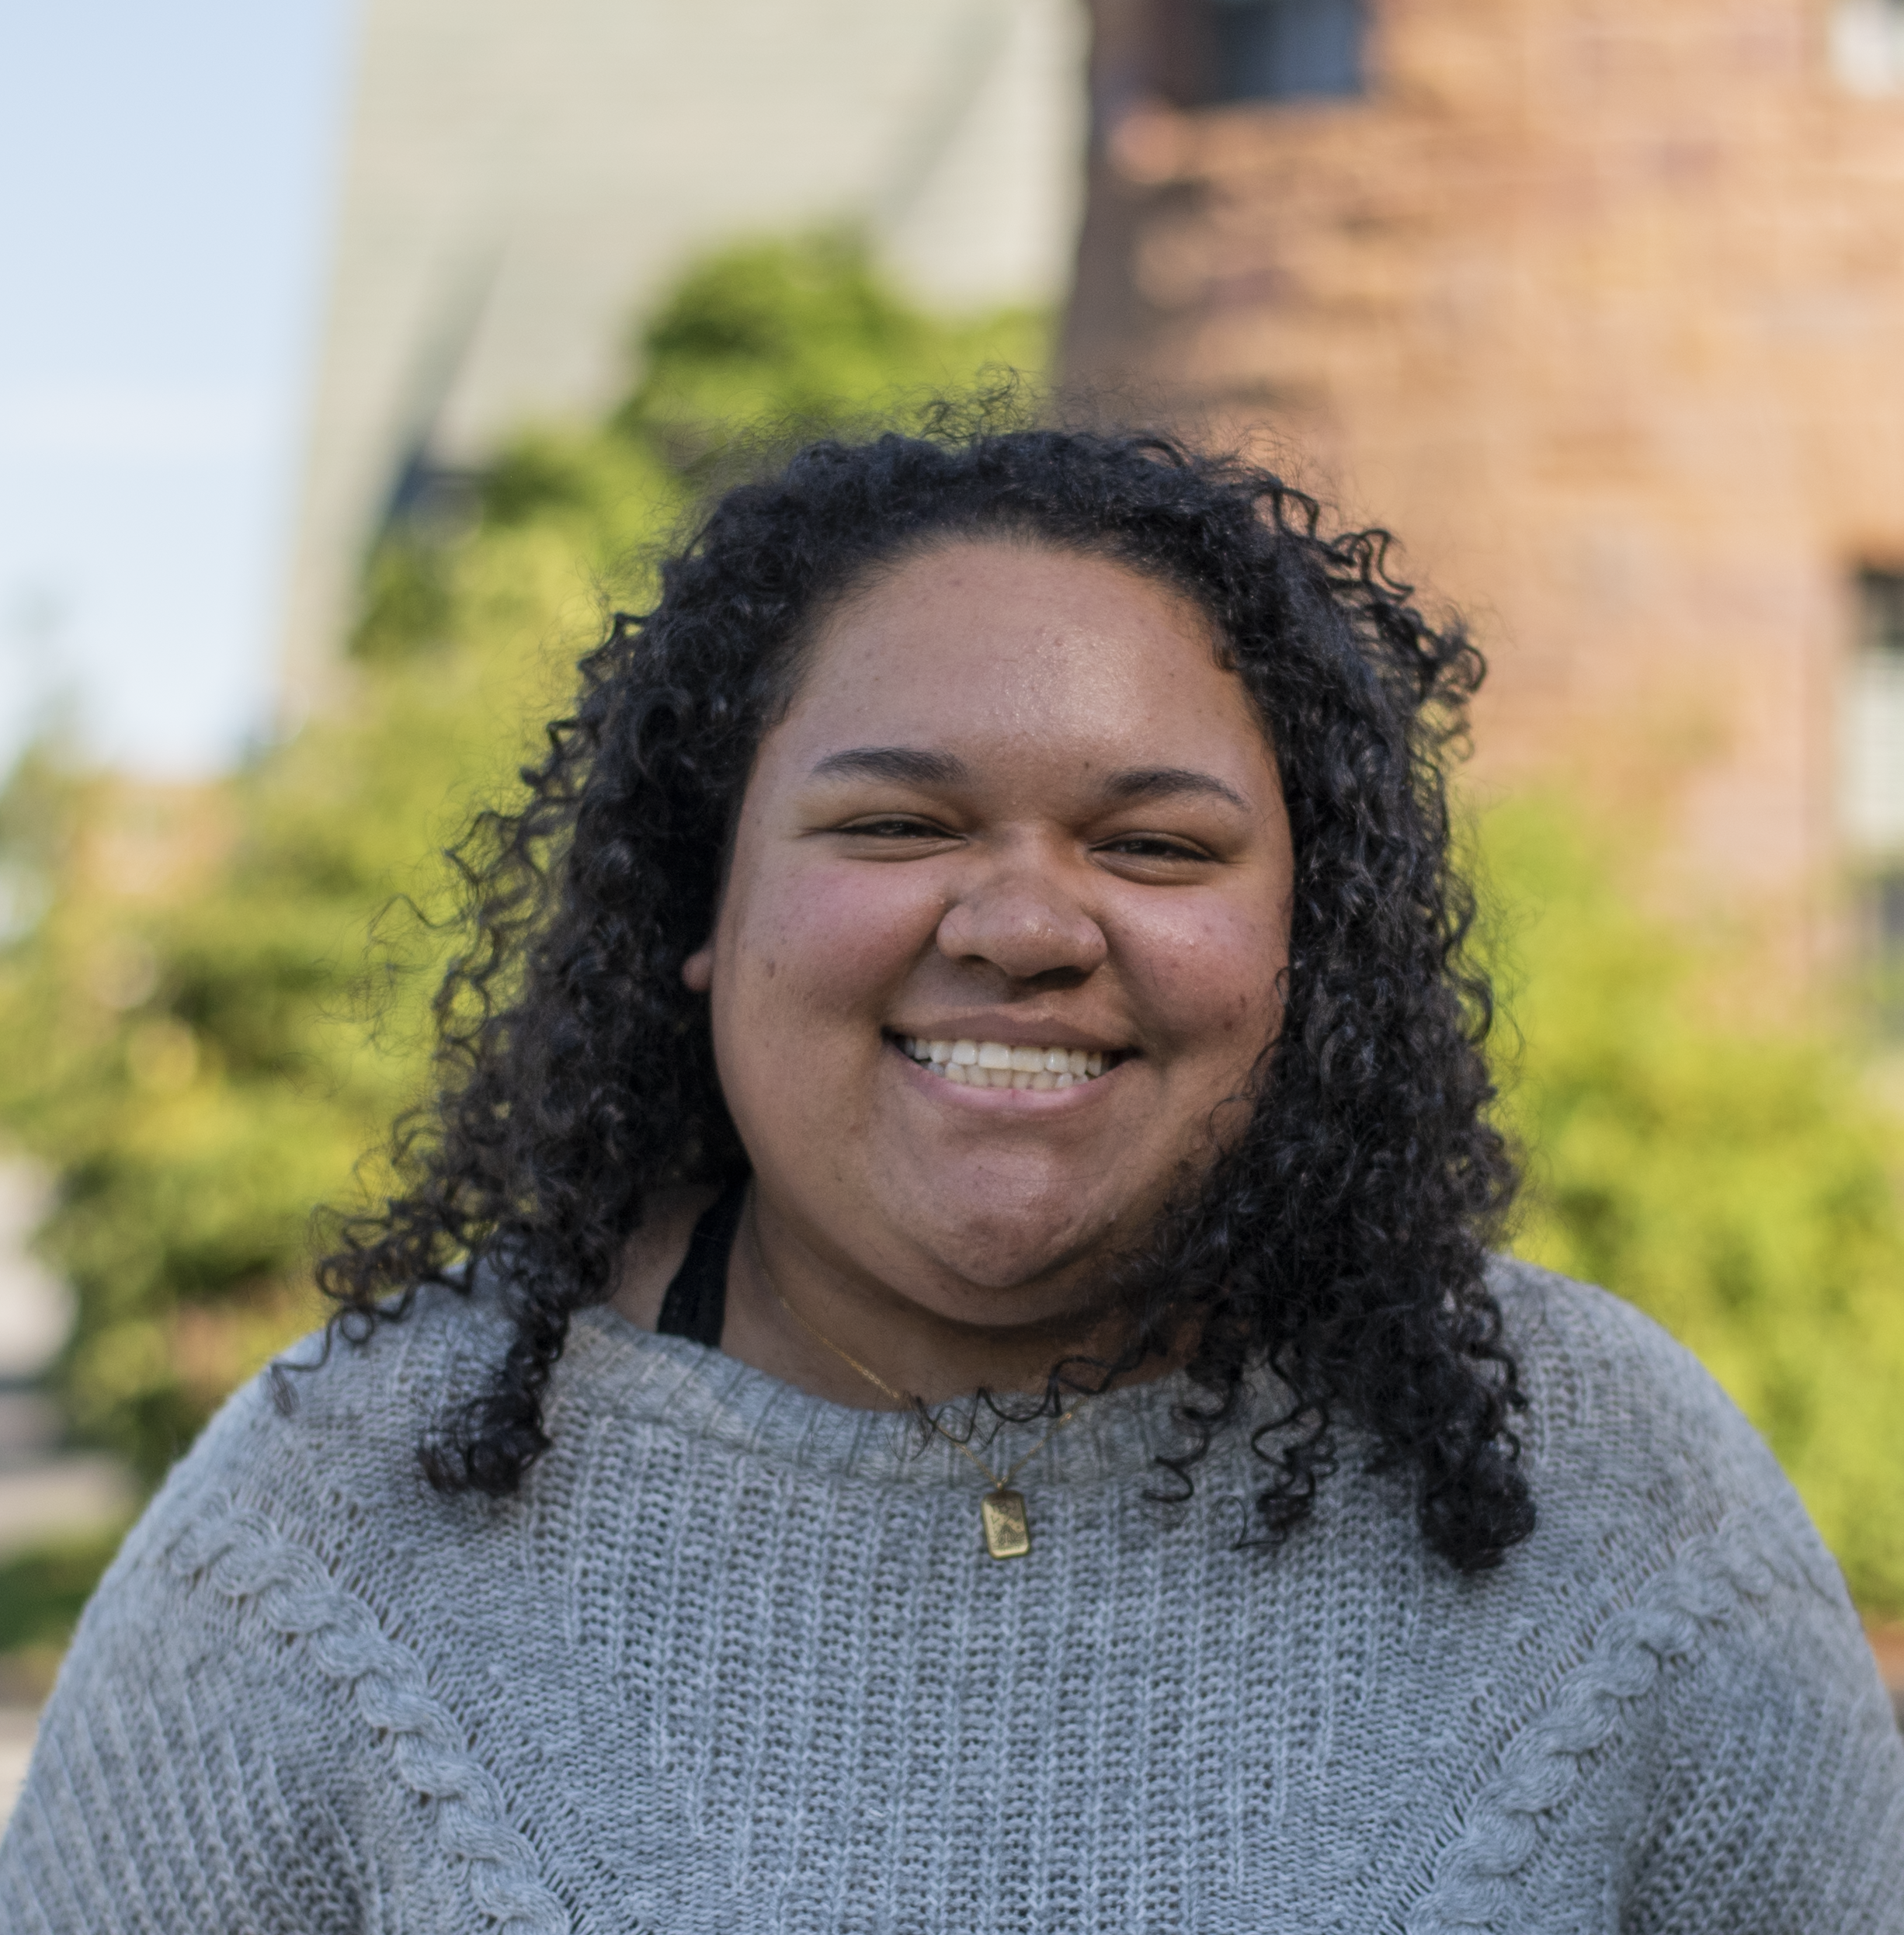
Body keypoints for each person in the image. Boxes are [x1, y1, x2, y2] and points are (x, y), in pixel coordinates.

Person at [2, 426, 1899, 1934]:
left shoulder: (1605, 1489)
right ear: (703, 906)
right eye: (895, 823)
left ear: (1300, 946)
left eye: (1154, 846)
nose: (1017, 923)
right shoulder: (341, 1519)